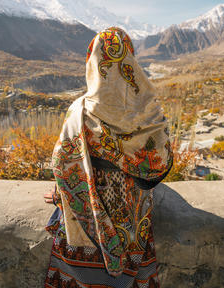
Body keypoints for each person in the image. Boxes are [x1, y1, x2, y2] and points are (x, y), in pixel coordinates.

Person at [44, 27, 173, 287]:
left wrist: (61, 194)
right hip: (134, 216)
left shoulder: (80, 111)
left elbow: (63, 163)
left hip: (88, 215)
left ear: (93, 61)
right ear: (131, 59)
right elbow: (160, 163)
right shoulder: (151, 111)